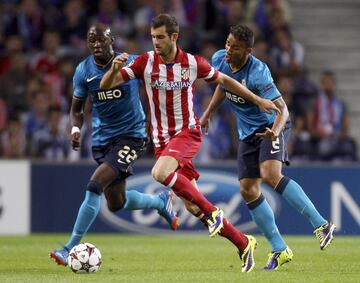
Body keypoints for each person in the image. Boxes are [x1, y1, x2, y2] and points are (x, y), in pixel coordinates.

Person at [101, 13, 280, 273]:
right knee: (194, 208)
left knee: (160, 173)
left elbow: (225, 81)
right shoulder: (144, 62)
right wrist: (114, 69)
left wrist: (257, 99)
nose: (156, 42)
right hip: (162, 140)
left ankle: (215, 213)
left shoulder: (193, 63)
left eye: (160, 37)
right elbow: (107, 87)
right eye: (153, 37)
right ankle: (243, 243)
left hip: (187, 132)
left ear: (174, 37)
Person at [200, 24, 336, 270]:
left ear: (248, 51)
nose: (229, 49)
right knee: (248, 189)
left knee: (271, 175)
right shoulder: (220, 58)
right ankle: (279, 248)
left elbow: (282, 109)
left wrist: (275, 130)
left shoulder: (259, 73)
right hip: (248, 133)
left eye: (235, 47)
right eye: (228, 43)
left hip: (272, 126)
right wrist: (208, 112)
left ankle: (321, 224)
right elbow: (224, 85)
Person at [50, 24, 179, 266]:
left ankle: (69, 247)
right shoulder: (83, 71)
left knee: (94, 185)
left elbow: (163, 76)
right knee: (116, 202)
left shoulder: (131, 62)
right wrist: (76, 128)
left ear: (112, 41)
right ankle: (160, 202)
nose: (96, 44)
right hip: (102, 141)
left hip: (132, 136)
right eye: (91, 41)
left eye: (101, 40)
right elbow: (76, 109)